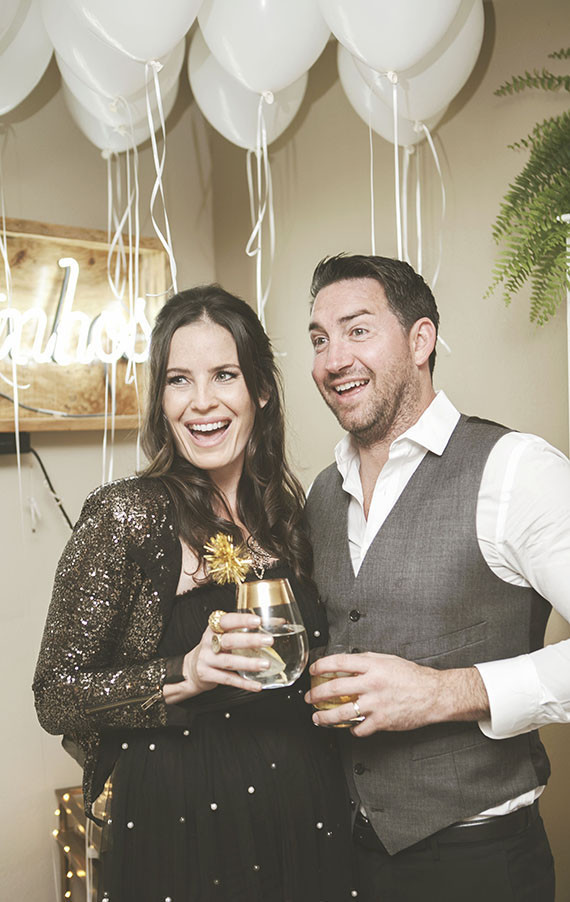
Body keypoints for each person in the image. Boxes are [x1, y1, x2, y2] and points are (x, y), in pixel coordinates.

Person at [33, 285, 358, 902]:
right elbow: (55, 697)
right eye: (179, 380)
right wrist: (183, 672)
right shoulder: (125, 517)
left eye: (224, 375)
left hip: (306, 813)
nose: (201, 402)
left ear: (260, 389)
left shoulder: (290, 516)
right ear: (161, 399)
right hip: (185, 829)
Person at [303, 254, 570, 902]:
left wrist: (448, 693)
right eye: (319, 339)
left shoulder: (515, 470)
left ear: (420, 340)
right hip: (346, 858)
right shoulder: (320, 495)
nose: (334, 359)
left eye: (357, 330)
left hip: (481, 865)